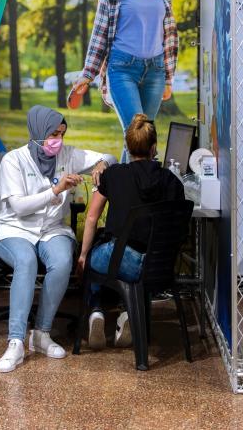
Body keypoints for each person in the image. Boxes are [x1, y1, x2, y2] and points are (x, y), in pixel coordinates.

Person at [0, 105, 116, 373]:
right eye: (53, 134)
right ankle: (15, 341)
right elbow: (20, 207)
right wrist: (55, 190)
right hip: (15, 229)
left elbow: (109, 156)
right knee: (26, 261)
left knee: (61, 260)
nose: (58, 139)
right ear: (37, 132)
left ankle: (42, 334)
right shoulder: (13, 161)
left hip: (51, 229)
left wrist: (103, 162)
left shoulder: (68, 155)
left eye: (62, 133)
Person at [77, 114, 185, 350]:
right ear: (154, 147)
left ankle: (96, 312)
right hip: (158, 264)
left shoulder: (114, 175)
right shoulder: (172, 182)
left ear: (127, 146)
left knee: (97, 253)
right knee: (130, 253)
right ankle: (127, 313)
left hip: (120, 259)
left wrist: (84, 255)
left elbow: (92, 217)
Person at [70, 0, 179, 143]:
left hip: (155, 71)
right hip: (122, 69)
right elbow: (99, 36)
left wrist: (168, 77)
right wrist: (88, 73)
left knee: (143, 141)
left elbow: (169, 36)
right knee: (137, 135)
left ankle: (126, 177)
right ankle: (134, 177)